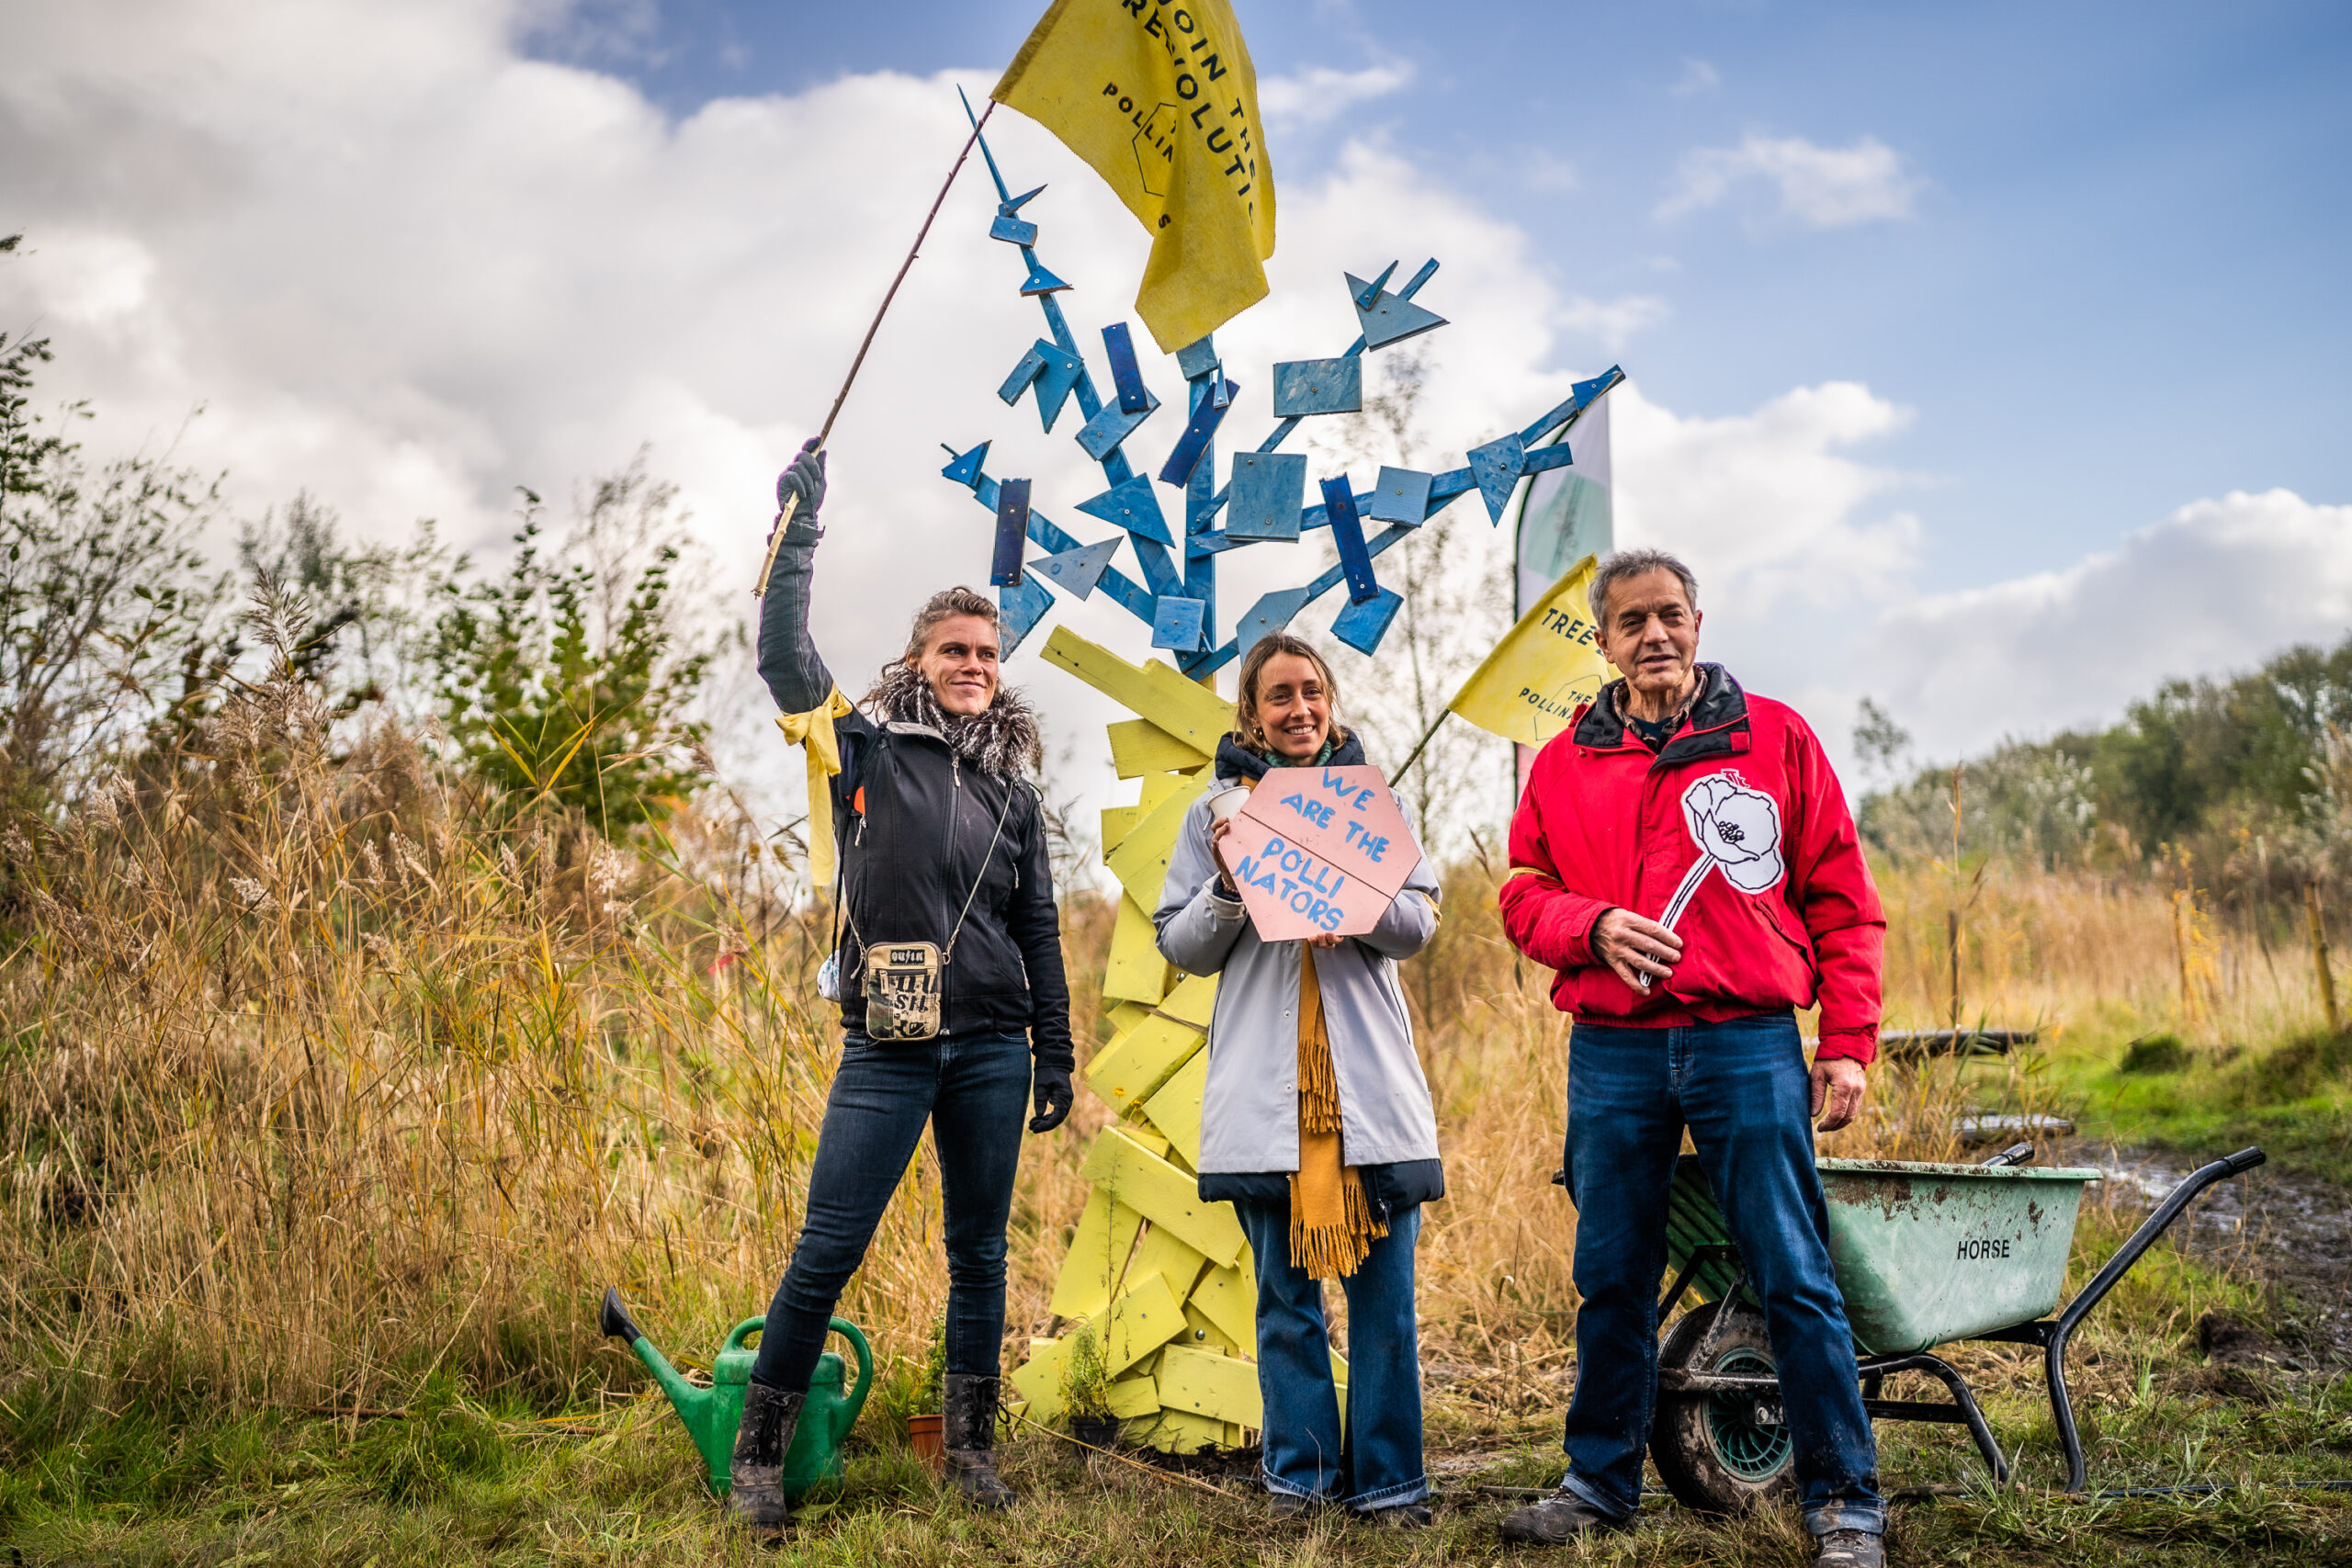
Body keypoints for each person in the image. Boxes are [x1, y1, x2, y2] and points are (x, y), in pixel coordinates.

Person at [1493, 548, 1889, 1568]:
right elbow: (1521, 893)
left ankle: (1843, 1501)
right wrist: (1592, 928)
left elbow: (1843, 902)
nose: (1654, 635)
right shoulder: (1563, 761)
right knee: (1610, 1277)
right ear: (1606, 640)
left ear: (1698, 624)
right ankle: (1597, 1486)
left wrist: (1845, 1044)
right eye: (1631, 622)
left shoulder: (1774, 741)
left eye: (1670, 615)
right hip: (1613, 1052)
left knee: (1791, 1272)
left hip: (1746, 1043)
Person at [731, 439, 1077, 1527]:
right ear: (918, 659)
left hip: (989, 1047)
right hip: (886, 1049)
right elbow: (783, 655)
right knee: (827, 1248)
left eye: (986, 650)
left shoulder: (1013, 793)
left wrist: (1053, 1050)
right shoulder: (863, 748)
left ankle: (971, 1458)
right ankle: (757, 1465)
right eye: (953, 649)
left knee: (978, 1253)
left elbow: (1039, 925)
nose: (974, 662)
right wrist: (800, 527)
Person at [1153, 633, 1444, 1528]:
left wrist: (1352, 904)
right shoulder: (1215, 817)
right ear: (1251, 713)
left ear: (1332, 701)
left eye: (1311, 691)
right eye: (1278, 695)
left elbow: (1417, 923)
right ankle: (1302, 1479)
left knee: (1383, 1305)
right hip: (1269, 1100)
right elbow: (1180, 945)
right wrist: (1235, 888)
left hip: (1365, 1098)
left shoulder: (1373, 805)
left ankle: (1392, 1484)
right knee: (1286, 1303)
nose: (1298, 709)